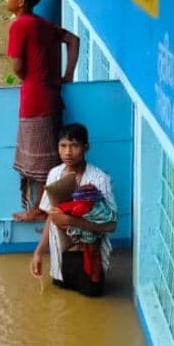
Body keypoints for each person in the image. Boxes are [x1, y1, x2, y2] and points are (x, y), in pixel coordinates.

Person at [3, 0, 80, 221]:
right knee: (46, 157)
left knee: (39, 162)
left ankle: (40, 209)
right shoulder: (42, 24)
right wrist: (68, 75)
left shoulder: (19, 25)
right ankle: (42, 207)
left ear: (21, 1)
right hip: (51, 96)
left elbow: (16, 66)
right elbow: (73, 40)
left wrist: (24, 75)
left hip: (34, 101)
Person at [30, 123, 118, 297]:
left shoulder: (99, 179)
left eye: (74, 146)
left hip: (90, 257)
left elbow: (111, 225)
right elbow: (51, 217)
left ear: (86, 147)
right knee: (63, 303)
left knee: (92, 305)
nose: (68, 152)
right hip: (61, 258)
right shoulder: (54, 174)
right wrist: (38, 252)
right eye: (63, 146)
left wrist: (70, 221)